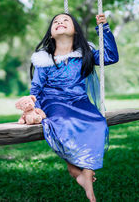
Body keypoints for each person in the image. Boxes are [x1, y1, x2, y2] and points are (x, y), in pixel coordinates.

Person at [29, 12, 119, 202]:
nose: (60, 22)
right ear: (51, 33)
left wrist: (104, 29)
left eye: (65, 21)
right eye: (56, 22)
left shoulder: (84, 54)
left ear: (76, 31)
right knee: (63, 121)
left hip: (79, 100)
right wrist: (33, 106)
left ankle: (85, 171)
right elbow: (36, 87)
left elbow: (110, 57)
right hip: (53, 101)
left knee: (98, 123)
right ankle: (73, 164)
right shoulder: (44, 58)